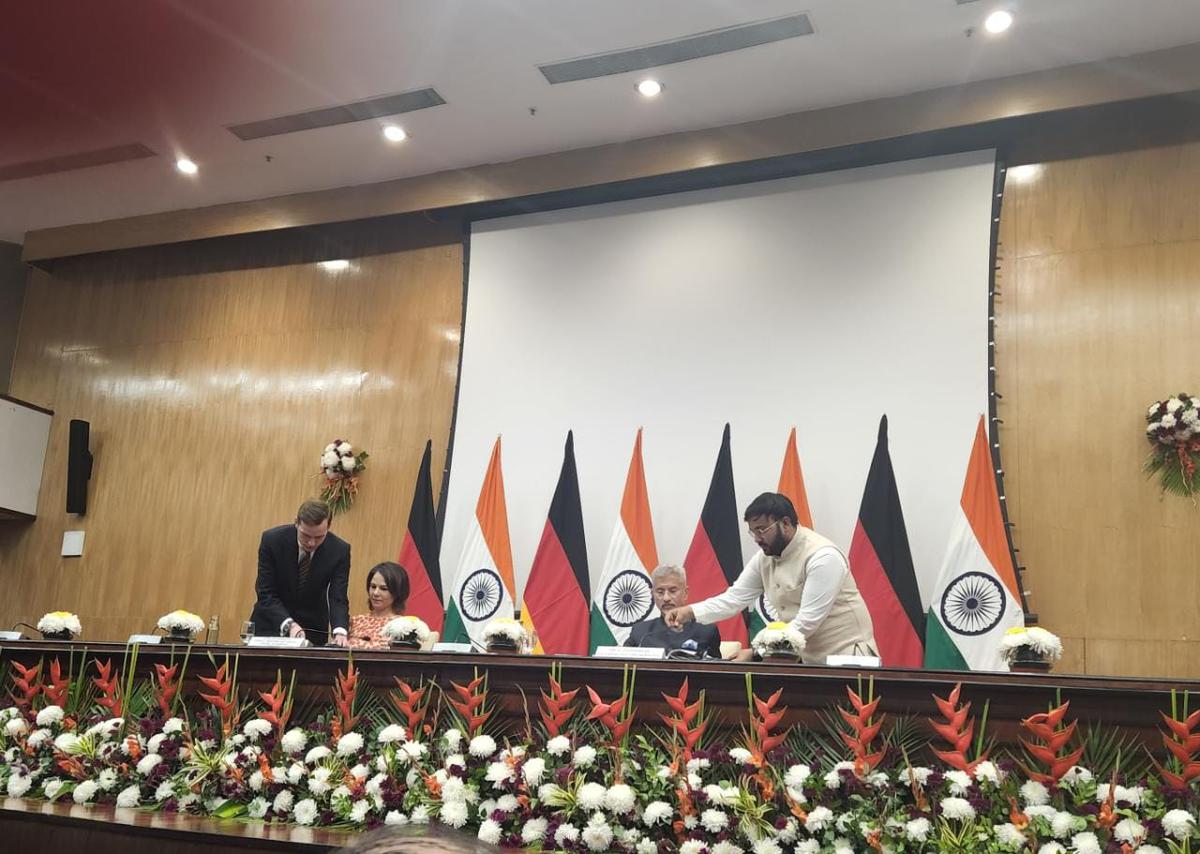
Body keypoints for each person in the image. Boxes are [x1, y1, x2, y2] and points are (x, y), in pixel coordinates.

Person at [665, 492, 877, 664]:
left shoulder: (823, 557)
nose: (757, 539)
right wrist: (689, 611)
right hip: (807, 662)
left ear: (785, 523)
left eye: (761, 530)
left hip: (848, 659)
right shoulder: (764, 558)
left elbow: (807, 623)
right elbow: (734, 599)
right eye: (752, 532)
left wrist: (756, 651)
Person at [250, 499, 350, 647]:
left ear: (328, 527)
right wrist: (289, 624)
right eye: (305, 535)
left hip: (312, 629)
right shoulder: (272, 540)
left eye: (318, 537)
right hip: (271, 624)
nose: (311, 543)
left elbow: (338, 596)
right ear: (296, 523)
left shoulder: (340, 550)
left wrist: (340, 630)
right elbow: (266, 592)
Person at [624, 564, 722, 658]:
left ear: (685, 593)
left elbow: (717, 670)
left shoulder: (706, 630)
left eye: (672, 591)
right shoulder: (641, 631)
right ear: (653, 594)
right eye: (660, 592)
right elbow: (620, 662)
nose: (666, 598)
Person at [348, 561, 411, 649]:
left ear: (397, 592)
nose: (376, 593)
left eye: (383, 589)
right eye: (373, 587)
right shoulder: (354, 621)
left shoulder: (403, 627)